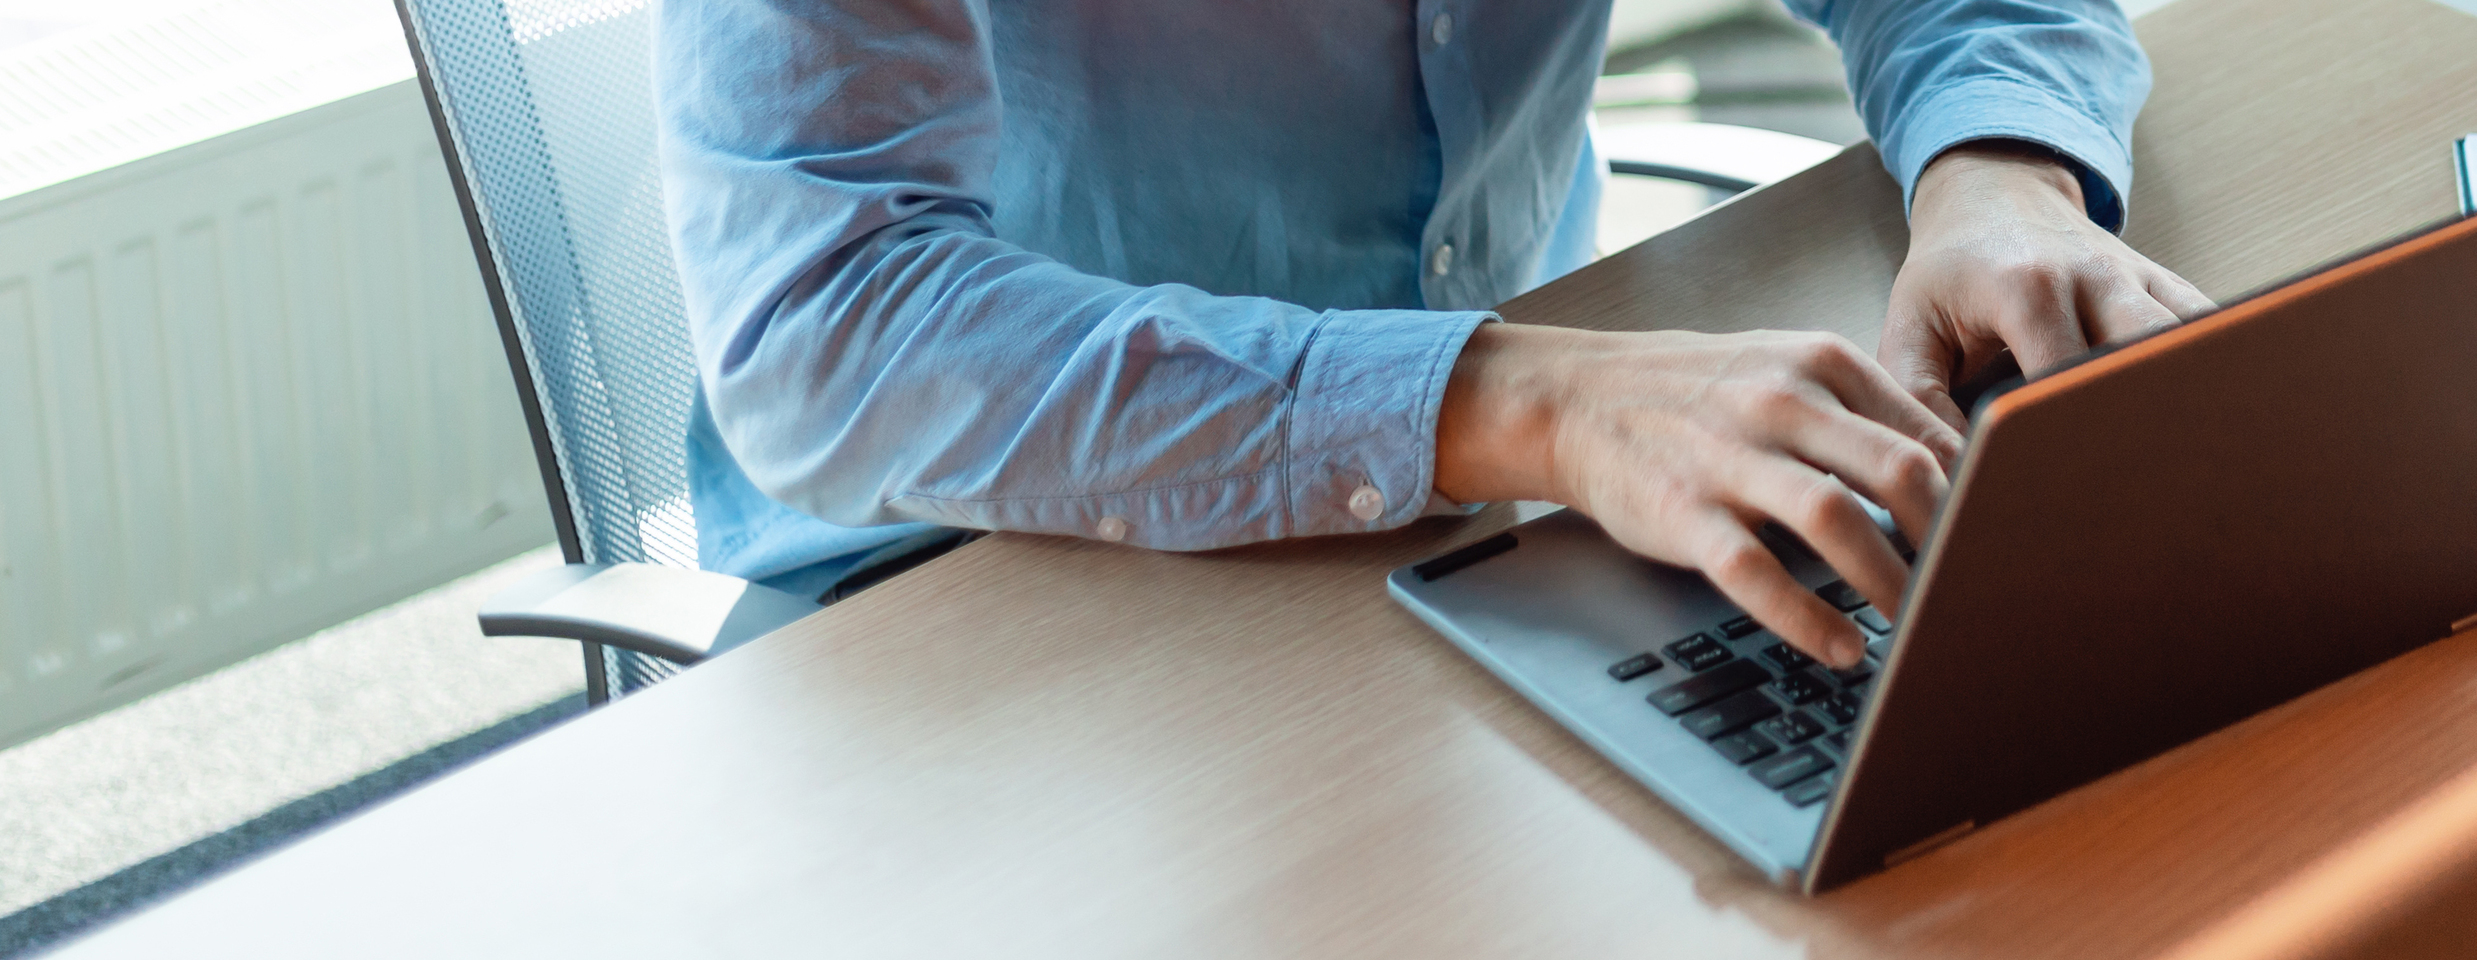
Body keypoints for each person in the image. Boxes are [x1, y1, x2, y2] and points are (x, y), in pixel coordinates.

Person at [657, 0, 2208, 668]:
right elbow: (822, 315)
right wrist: (1515, 398)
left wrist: (2001, 180)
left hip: (1507, 526)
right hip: (966, 587)